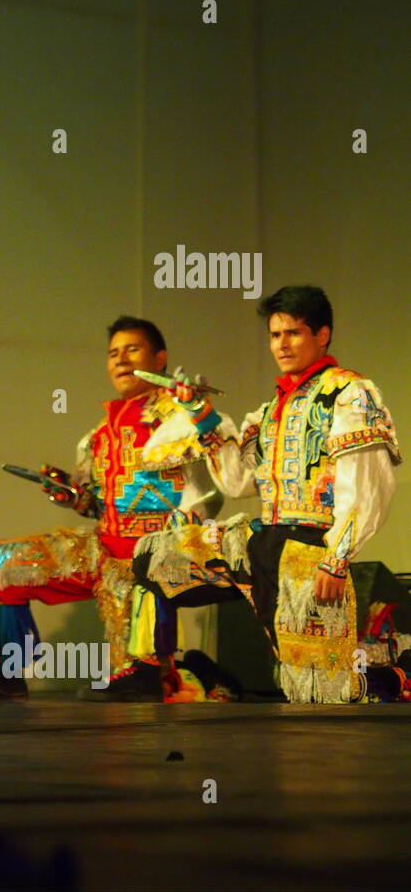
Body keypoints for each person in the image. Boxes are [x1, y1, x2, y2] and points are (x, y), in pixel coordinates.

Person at [133, 286, 402, 703]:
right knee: (153, 558)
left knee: (318, 694)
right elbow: (239, 484)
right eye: (275, 335)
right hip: (265, 540)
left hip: (312, 550)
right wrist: (202, 417)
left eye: (293, 333)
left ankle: (396, 678)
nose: (282, 344)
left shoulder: (348, 394)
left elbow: (367, 483)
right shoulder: (268, 411)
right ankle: (163, 671)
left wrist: (337, 557)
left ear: (322, 335)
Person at [0, 317, 223, 701]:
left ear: (160, 358)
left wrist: (196, 410)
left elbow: (216, 478)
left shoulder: (181, 418)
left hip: (153, 553)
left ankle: (165, 674)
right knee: (3, 563)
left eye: (132, 350)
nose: (120, 360)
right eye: (113, 353)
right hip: (104, 547)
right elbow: (96, 504)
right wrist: (71, 494)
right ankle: (5, 673)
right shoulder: (102, 432)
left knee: (138, 590)